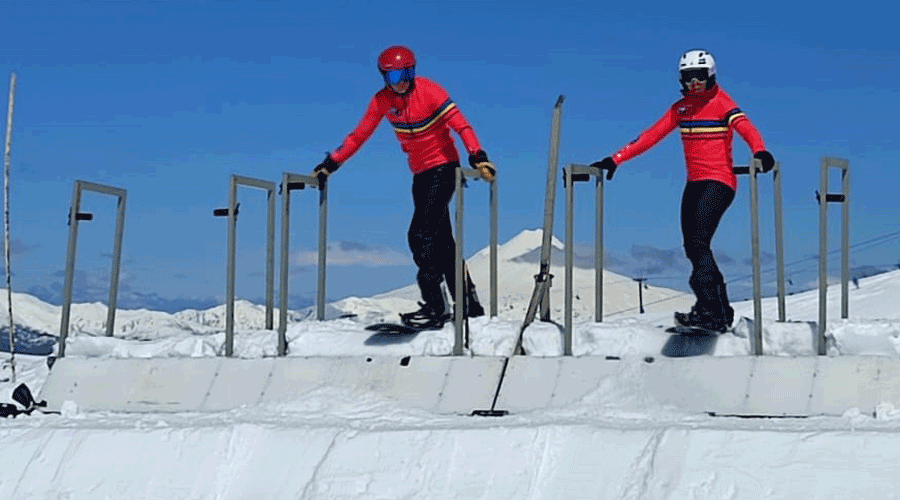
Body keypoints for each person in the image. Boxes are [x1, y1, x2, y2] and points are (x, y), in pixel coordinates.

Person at [311, 45, 496, 329]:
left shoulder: (430, 90)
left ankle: (435, 306)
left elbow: (461, 125)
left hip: (444, 168)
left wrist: (478, 156)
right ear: (384, 76)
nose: (402, 81)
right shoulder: (382, 101)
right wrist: (331, 164)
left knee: (420, 235)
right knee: (443, 243)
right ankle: (470, 305)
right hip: (420, 175)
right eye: (394, 75)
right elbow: (359, 135)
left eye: (407, 73)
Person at [591, 49, 775, 332]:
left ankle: (712, 311)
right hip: (694, 183)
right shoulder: (681, 108)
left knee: (698, 243)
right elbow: (650, 136)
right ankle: (718, 310)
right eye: (688, 77)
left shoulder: (722, 103)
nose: (694, 83)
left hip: (719, 181)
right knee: (692, 246)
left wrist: (760, 152)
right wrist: (615, 159)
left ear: (711, 76)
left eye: (699, 76)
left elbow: (747, 128)